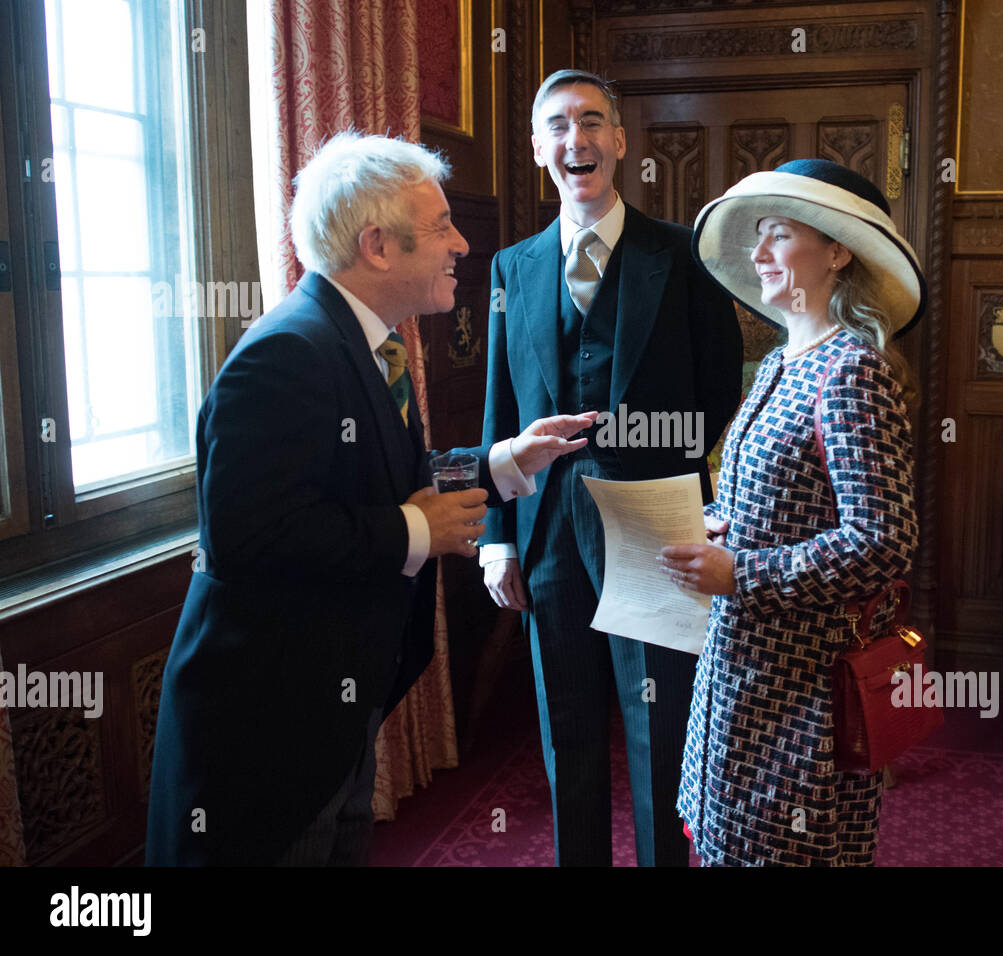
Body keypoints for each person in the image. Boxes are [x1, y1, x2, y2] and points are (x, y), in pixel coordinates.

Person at [147, 132, 596, 866]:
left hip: (328, 713)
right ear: (379, 246)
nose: (461, 243)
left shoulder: (367, 342)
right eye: (443, 226)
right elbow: (248, 538)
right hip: (264, 731)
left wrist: (504, 462)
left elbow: (390, 476)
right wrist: (413, 531)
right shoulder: (284, 355)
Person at [480, 70, 743, 866]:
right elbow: (499, 406)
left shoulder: (682, 255)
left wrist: (664, 470)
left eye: (592, 122)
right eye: (557, 126)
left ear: (620, 142)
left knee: (660, 724)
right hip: (546, 525)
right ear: (537, 149)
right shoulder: (511, 268)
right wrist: (498, 533)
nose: (576, 140)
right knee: (567, 726)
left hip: (653, 521)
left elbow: (717, 388)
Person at [661, 159, 925, 865]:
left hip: (800, 686)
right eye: (758, 238)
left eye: (779, 235)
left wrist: (740, 571)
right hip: (736, 669)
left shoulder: (851, 370)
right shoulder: (782, 360)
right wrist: (717, 519)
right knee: (725, 844)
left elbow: (883, 540)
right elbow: (775, 495)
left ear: (837, 252)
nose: (759, 253)